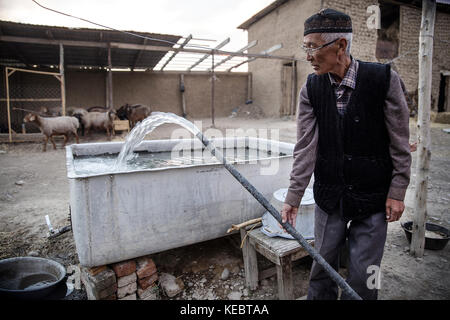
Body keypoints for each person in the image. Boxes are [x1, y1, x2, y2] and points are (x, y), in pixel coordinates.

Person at [281, 8, 411, 300]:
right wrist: (293, 197)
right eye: (306, 47)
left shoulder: (384, 80)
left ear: (340, 45)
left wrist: (398, 189)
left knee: (366, 275)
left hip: (374, 195)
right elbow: (305, 147)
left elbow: (400, 141)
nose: (307, 55)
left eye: (313, 47)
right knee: (322, 264)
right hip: (330, 194)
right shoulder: (311, 89)